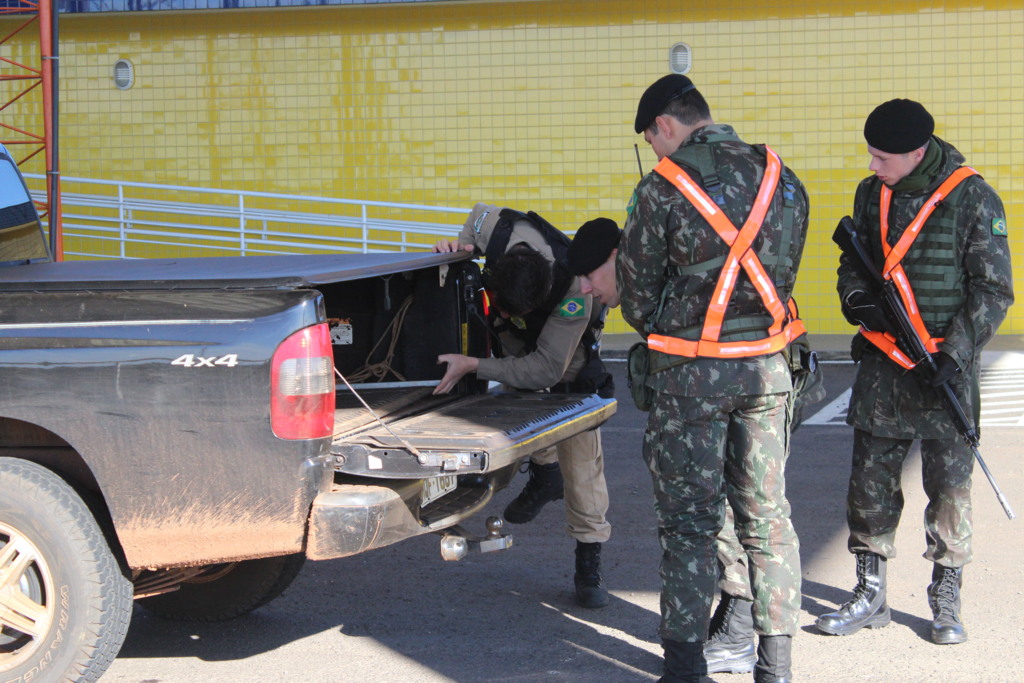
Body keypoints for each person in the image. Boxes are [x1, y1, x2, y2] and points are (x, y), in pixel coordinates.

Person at [617, 74, 810, 683]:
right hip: (768, 375)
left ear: (664, 126)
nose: (656, 152)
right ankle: (774, 667)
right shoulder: (783, 177)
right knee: (767, 519)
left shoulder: (661, 190)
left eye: (653, 140)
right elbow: (785, 272)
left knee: (690, 526)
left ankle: (685, 668)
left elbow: (636, 300)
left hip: (688, 383)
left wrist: (685, 327)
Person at [818, 99, 1013, 645]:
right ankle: (869, 592)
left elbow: (993, 289)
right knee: (869, 486)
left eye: (884, 157)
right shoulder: (870, 193)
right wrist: (857, 301)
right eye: (871, 156)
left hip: (944, 372)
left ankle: (945, 596)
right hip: (884, 366)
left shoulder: (972, 197)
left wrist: (957, 353)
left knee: (949, 489)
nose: (874, 166)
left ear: (918, 151)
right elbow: (851, 264)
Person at [568, 217, 760, 676]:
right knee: (717, 508)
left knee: (732, 507)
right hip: (727, 385)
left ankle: (739, 626)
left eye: (591, 279)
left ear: (616, 258)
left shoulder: (666, 279)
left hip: (735, 384)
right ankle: (734, 623)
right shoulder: (651, 282)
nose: (589, 292)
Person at [432, 203, 614, 609]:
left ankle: (589, 561)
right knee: (520, 421)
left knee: (581, 462)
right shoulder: (500, 233)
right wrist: (460, 245)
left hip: (568, 367)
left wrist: (476, 365)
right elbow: (477, 214)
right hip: (516, 353)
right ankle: (546, 475)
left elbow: (546, 370)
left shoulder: (574, 296)